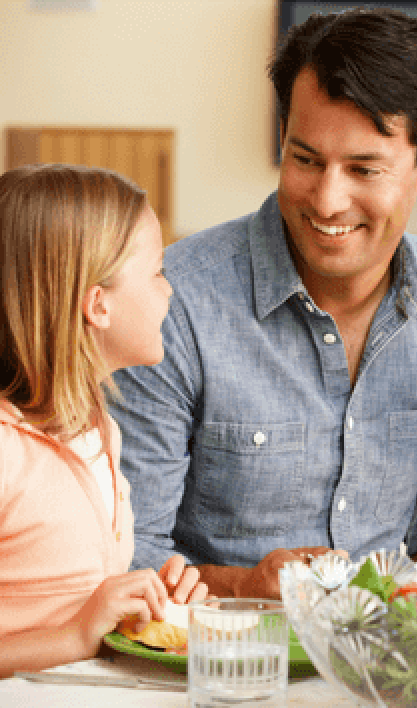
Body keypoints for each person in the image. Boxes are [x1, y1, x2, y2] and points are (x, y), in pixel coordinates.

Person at [108, 7, 417, 600]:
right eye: (305, 160)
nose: (326, 201)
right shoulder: (177, 304)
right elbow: (127, 544)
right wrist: (243, 584)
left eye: (363, 169)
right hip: (211, 655)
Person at [0, 164, 207, 676]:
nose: (169, 292)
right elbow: (76, 625)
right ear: (98, 305)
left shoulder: (98, 432)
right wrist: (77, 634)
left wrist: (152, 592)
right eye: (157, 272)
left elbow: (79, 595)